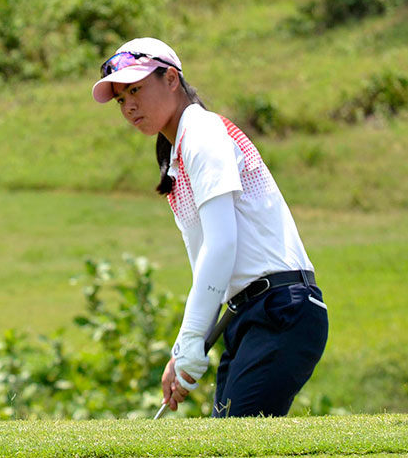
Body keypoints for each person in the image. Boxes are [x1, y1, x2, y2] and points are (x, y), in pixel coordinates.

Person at [91, 37, 328, 417]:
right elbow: (208, 263)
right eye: (121, 99)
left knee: (234, 442)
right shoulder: (178, 154)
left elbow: (221, 246)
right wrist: (185, 348)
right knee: (224, 437)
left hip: (281, 310)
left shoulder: (202, 133)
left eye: (136, 89)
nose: (129, 105)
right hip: (248, 315)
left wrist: (189, 340)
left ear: (171, 79)